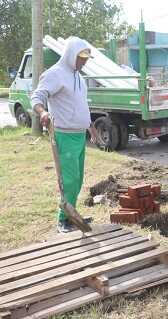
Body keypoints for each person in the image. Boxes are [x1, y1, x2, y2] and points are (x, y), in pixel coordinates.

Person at [31, 36, 100, 233]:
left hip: (79, 135)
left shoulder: (78, 76)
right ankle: (63, 220)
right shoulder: (55, 74)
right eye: (82, 58)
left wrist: (90, 126)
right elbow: (37, 96)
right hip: (64, 135)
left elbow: (81, 105)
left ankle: (72, 213)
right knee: (68, 180)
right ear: (71, 55)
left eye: (86, 59)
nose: (84, 62)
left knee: (77, 180)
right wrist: (42, 112)